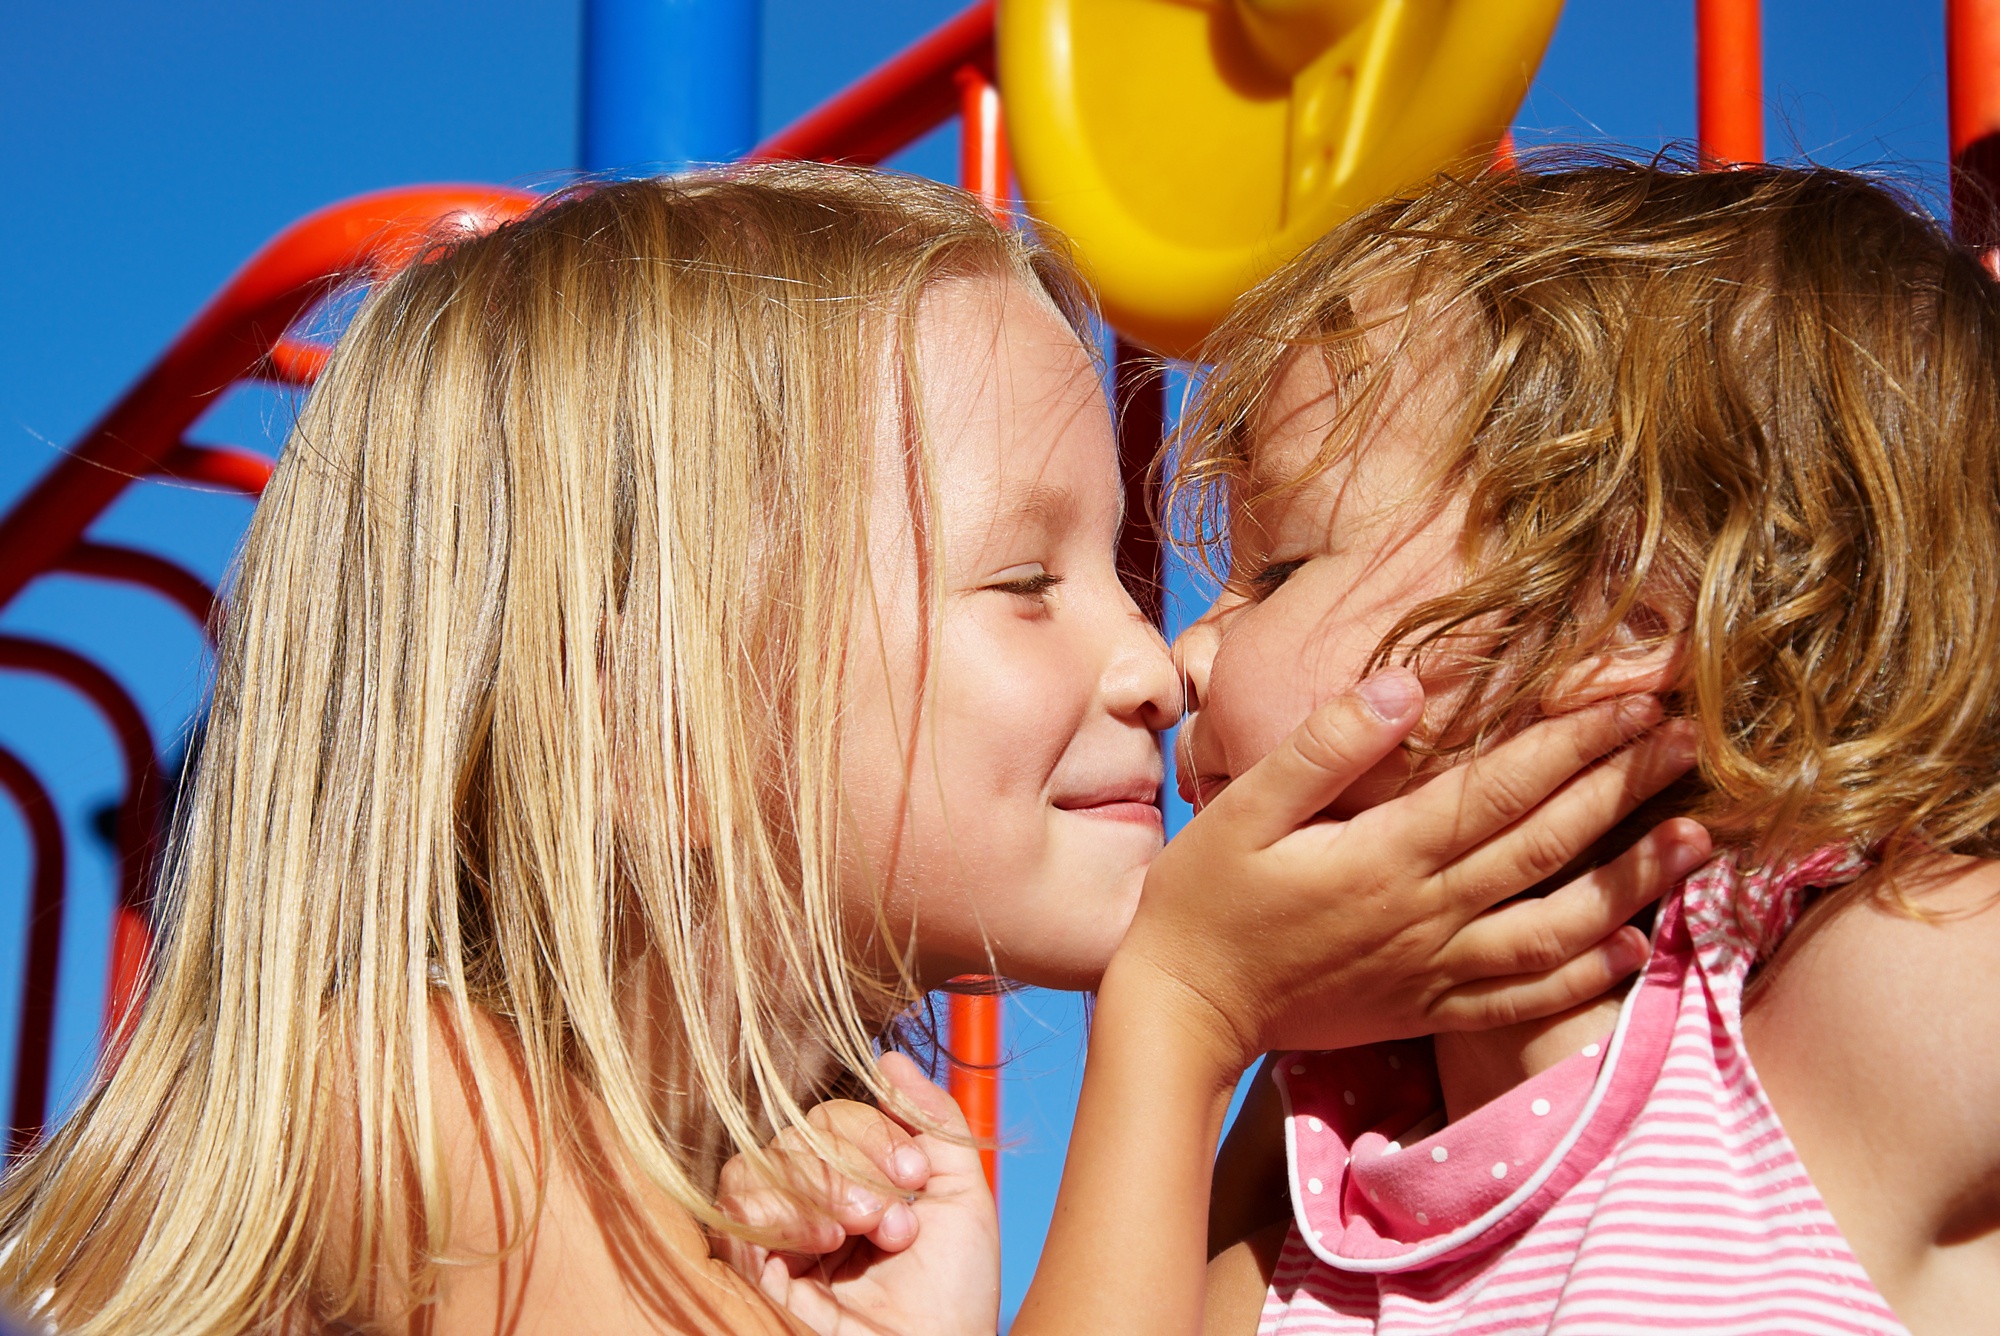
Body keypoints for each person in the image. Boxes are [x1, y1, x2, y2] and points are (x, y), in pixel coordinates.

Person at [0, 163, 1693, 1336]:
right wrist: (1181, 1022)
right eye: (1028, 584)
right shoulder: (427, 1111)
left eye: (1115, 573)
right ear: (641, 712)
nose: (1154, 664)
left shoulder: (796, 1176)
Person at [729, 157, 2000, 1336]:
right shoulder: (1319, 1165)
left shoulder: (1826, 1018)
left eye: (1276, 568)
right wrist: (1170, 1028)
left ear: (1623, 616)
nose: (1184, 657)